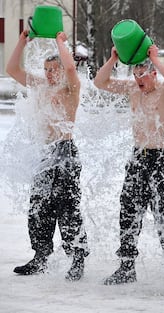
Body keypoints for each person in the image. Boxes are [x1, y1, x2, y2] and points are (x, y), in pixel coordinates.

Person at [94, 45, 164, 291]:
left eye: (143, 74)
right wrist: (113, 57)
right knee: (128, 212)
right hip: (138, 157)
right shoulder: (131, 90)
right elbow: (100, 82)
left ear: (153, 74)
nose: (138, 79)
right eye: (135, 74)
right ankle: (126, 266)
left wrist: (155, 60)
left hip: (161, 158)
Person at [6, 30, 89, 281]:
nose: (49, 73)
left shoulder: (70, 88)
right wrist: (21, 41)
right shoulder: (40, 86)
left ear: (62, 69)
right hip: (44, 153)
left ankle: (77, 259)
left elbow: (72, 71)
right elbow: (12, 69)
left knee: (67, 208)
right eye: (46, 69)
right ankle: (40, 256)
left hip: (64, 152)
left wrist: (60, 43)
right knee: (38, 207)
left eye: (54, 69)